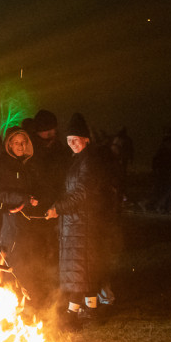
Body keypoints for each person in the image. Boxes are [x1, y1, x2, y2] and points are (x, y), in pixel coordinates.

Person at [46, 113, 115, 326]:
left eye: (76, 139)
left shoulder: (90, 161)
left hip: (84, 222)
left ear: (86, 139)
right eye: (69, 140)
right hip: (74, 222)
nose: (72, 144)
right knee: (78, 269)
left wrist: (58, 208)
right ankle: (77, 309)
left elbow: (82, 192)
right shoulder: (78, 160)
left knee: (83, 267)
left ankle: (86, 311)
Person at [0, 127, 49, 308]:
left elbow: (35, 188)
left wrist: (37, 198)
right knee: (13, 260)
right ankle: (12, 300)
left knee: (28, 258)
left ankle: (27, 300)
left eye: (23, 142)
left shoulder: (28, 165)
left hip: (28, 221)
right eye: (16, 142)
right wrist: (22, 199)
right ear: (9, 144)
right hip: (11, 221)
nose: (20, 146)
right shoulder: (3, 165)